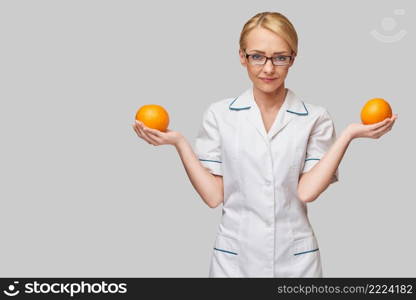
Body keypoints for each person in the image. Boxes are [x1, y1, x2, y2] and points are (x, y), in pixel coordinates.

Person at [132, 11, 398, 277]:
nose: (269, 68)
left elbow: (306, 192)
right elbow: (213, 196)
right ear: (242, 57)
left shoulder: (315, 118)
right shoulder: (220, 114)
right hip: (233, 260)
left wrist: (348, 135)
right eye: (257, 56)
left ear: (293, 59)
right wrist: (179, 142)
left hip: (295, 262)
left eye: (280, 58)